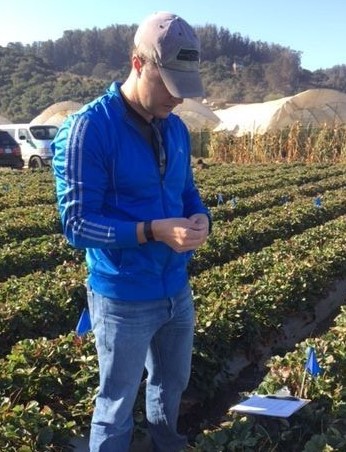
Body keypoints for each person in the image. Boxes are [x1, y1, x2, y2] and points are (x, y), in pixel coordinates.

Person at [52, 11, 211, 452]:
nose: (177, 100)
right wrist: (153, 230)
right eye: (168, 85)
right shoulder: (88, 129)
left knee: (171, 383)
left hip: (175, 289)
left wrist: (201, 220)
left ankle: (166, 445)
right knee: (116, 404)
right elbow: (78, 224)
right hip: (122, 297)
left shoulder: (176, 129)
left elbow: (188, 194)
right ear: (138, 63)